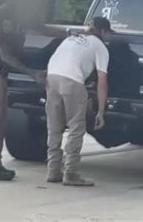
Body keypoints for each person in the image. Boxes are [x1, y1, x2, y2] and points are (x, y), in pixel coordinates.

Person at [0, 0, 63, 181]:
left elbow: (42, 28)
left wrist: (69, 33)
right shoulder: (5, 14)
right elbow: (4, 54)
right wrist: (32, 73)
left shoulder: (22, 14)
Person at [45, 17, 112, 186]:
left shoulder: (71, 38)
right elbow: (102, 81)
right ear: (103, 31)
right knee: (76, 128)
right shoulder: (100, 46)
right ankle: (71, 173)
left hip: (51, 77)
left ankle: (53, 170)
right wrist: (101, 111)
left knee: (54, 126)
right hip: (72, 81)